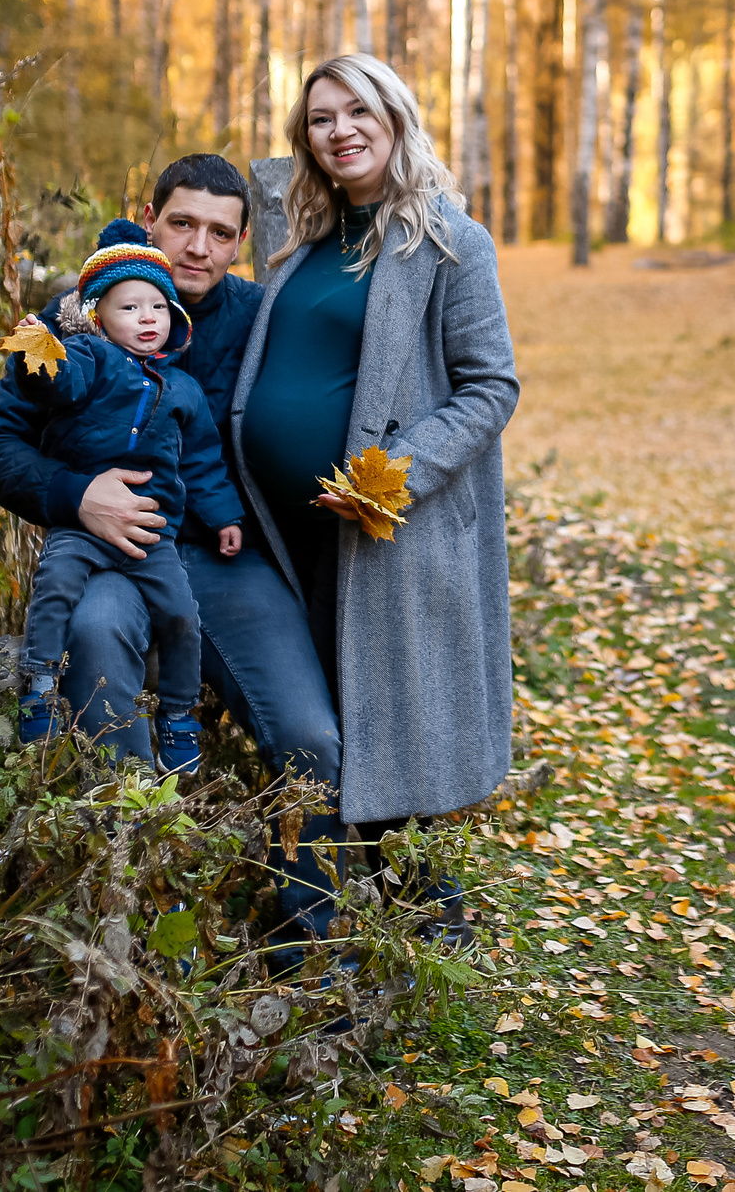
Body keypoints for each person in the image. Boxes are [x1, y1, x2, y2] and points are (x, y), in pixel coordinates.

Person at [0, 155, 349, 946]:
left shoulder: (259, 316)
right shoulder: (80, 313)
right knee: (97, 634)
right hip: (113, 550)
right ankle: (142, 911)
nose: (196, 246)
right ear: (149, 218)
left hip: (226, 558)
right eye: (181, 223)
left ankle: (314, 946)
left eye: (218, 232)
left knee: (311, 737)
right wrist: (79, 496)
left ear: (241, 243)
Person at [231, 51, 520, 932]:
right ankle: (327, 918)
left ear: (395, 117)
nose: (340, 130)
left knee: (393, 718)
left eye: (359, 111)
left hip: (387, 527)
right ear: (304, 138)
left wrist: (390, 474)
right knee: (321, 721)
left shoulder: (448, 240)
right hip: (284, 530)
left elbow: (490, 385)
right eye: (321, 118)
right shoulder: (301, 241)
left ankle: (430, 926)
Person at [2, 221, 245, 772]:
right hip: (85, 528)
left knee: (183, 617)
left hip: (153, 536)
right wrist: (36, 349)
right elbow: (53, 382)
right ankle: (39, 682)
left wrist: (224, 513)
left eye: (157, 308)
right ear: (98, 319)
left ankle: (180, 717)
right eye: (129, 309)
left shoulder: (182, 388)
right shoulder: (90, 362)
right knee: (56, 587)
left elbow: (202, 459)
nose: (147, 320)